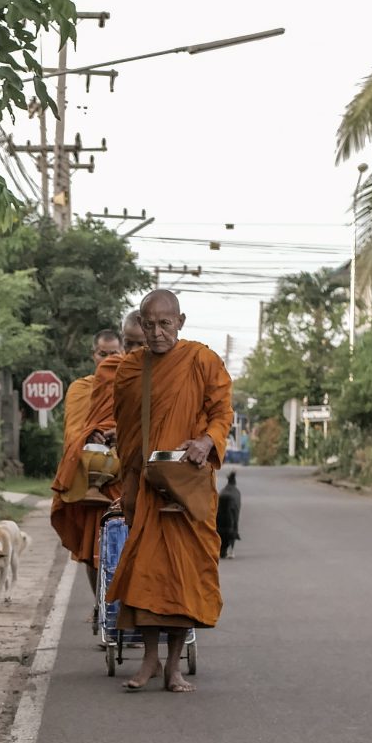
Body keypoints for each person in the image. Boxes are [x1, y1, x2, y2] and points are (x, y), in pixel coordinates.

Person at [88, 289, 231, 693]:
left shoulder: (202, 360)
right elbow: (127, 427)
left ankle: (173, 667)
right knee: (145, 573)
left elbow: (222, 411)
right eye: (148, 325)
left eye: (164, 324)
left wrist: (207, 441)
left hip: (188, 485)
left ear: (180, 322)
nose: (156, 333)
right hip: (144, 486)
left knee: (183, 575)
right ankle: (148, 661)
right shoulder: (131, 370)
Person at [49, 326, 126, 575]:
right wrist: (88, 434)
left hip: (123, 474)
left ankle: (122, 609)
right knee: (93, 546)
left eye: (114, 353)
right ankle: (99, 607)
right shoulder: (80, 389)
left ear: (123, 352)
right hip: (90, 475)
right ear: (94, 355)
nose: (109, 359)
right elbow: (72, 431)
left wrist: (119, 435)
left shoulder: (131, 387)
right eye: (103, 354)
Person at [218, 470, 242, 558]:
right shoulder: (236, 492)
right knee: (233, 522)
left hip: (229, 505)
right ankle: (230, 550)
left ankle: (228, 550)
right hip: (230, 506)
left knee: (231, 522)